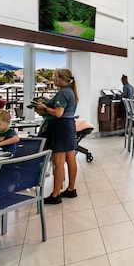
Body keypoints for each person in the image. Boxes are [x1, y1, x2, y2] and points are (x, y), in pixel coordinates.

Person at [35, 68, 79, 204]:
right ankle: (71, 189)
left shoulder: (63, 93)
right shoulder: (70, 91)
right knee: (70, 159)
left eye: (55, 78)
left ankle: (55, 195)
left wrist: (44, 107)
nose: (54, 80)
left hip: (60, 127)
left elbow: (58, 113)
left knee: (58, 162)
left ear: (61, 79)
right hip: (69, 126)